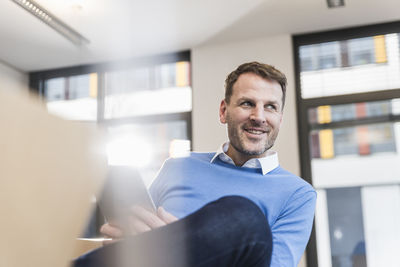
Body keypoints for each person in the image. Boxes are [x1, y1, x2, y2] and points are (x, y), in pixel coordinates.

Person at [74, 61, 316, 267]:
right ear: (224, 111)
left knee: (243, 215)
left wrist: (178, 244)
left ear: (280, 120)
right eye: (247, 103)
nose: (259, 116)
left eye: (270, 107)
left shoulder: (298, 194)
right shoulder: (178, 166)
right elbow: (138, 236)